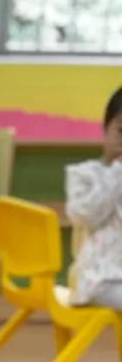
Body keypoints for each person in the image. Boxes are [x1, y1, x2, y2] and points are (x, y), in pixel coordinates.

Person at [64, 86, 122, 310]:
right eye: (121, 131)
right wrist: (117, 173)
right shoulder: (84, 175)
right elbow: (86, 216)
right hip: (97, 280)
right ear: (105, 130)